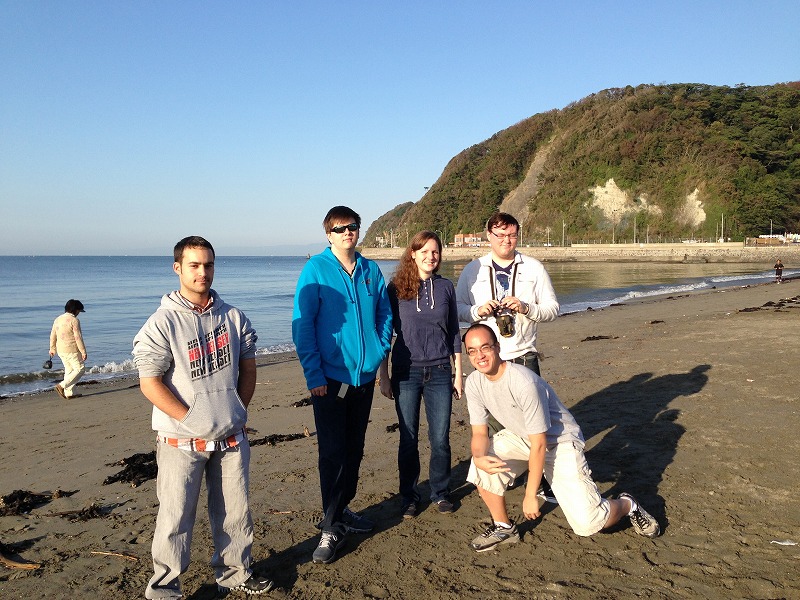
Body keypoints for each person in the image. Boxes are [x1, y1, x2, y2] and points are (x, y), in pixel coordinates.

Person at [132, 236, 273, 598]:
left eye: (208, 264)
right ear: (177, 268)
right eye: (194, 265)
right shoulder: (161, 323)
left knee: (234, 513)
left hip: (230, 437)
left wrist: (238, 411)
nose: (202, 272)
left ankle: (236, 573)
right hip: (181, 441)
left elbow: (248, 369)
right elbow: (149, 383)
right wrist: (191, 420)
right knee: (175, 518)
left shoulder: (233, 317)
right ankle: (164, 588)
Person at [462, 323, 660, 552]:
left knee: (589, 523)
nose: (480, 356)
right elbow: (479, 432)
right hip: (522, 437)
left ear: (497, 347)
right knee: (481, 464)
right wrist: (478, 457)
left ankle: (627, 505)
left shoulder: (523, 382)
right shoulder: (475, 382)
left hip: (559, 442)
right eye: (472, 351)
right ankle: (503, 527)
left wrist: (530, 495)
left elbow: (540, 444)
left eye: (485, 348)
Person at [292, 206, 393, 564]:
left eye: (352, 226)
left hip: (364, 378)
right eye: (340, 228)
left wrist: (380, 350)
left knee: (354, 447)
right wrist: (314, 375)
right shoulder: (316, 270)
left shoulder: (370, 270)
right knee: (332, 453)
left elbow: (384, 313)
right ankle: (330, 526)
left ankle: (343, 509)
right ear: (328, 235)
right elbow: (303, 326)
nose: (348, 232)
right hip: (330, 380)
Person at [378, 231, 463, 519]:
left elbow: (453, 332)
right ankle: (409, 497)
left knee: (440, 437)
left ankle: (440, 492)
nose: (430, 256)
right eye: (424, 251)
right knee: (408, 437)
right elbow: (386, 334)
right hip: (406, 372)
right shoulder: (395, 289)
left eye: (435, 252)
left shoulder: (446, 288)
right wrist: (384, 376)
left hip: (440, 371)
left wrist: (458, 373)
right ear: (412, 254)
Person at [456, 212, 559, 377]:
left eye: (512, 235)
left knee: (530, 402)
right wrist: (478, 311)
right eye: (501, 235)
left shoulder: (534, 267)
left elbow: (552, 309)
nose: (507, 240)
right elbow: (457, 309)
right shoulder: (472, 270)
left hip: (524, 355)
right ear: (489, 235)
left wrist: (526, 308)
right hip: (486, 357)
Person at [49, 299, 88, 399]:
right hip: (72, 349)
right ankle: (61, 386)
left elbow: (53, 335)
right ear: (75, 310)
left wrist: (52, 349)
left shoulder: (57, 319)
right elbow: (78, 337)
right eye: (79, 311)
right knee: (80, 369)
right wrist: (83, 351)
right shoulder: (74, 320)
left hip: (60, 350)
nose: (79, 313)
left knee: (69, 370)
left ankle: (70, 393)